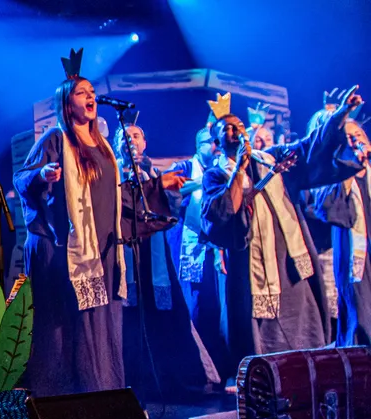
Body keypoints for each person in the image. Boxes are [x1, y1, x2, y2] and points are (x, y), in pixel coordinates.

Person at [12, 50, 183, 398]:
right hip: (67, 252)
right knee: (66, 331)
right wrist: (43, 175)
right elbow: (21, 179)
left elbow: (117, 197)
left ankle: (103, 396)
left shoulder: (104, 146)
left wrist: (156, 186)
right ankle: (65, 402)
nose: (90, 97)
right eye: (81, 93)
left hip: (104, 250)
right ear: (67, 103)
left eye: (92, 92)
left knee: (102, 328)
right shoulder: (56, 139)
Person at [201, 88, 363, 358]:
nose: (236, 132)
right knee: (262, 340)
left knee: (304, 330)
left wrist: (339, 115)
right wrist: (239, 170)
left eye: (239, 126)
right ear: (216, 141)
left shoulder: (272, 159)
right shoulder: (216, 175)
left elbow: (309, 148)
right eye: (227, 129)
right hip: (251, 270)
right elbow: (219, 216)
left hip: (290, 264)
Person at [113, 123, 217, 397]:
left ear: (145, 143)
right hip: (129, 252)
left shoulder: (154, 173)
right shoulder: (114, 174)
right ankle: (136, 380)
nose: (130, 140)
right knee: (131, 319)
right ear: (116, 145)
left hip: (155, 252)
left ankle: (173, 379)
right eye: (124, 136)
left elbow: (171, 211)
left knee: (166, 314)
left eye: (136, 135)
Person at [171, 126, 233, 380]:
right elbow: (169, 191)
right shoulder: (185, 167)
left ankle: (225, 367)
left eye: (217, 141)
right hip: (191, 245)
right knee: (197, 304)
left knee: (221, 307)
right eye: (210, 142)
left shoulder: (224, 168)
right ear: (198, 146)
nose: (215, 146)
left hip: (218, 247)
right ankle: (201, 369)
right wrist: (205, 180)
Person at [308, 117, 371, 346]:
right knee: (360, 313)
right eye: (348, 138)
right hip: (355, 256)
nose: (355, 142)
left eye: (358, 136)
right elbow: (326, 210)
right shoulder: (333, 177)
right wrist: (348, 171)